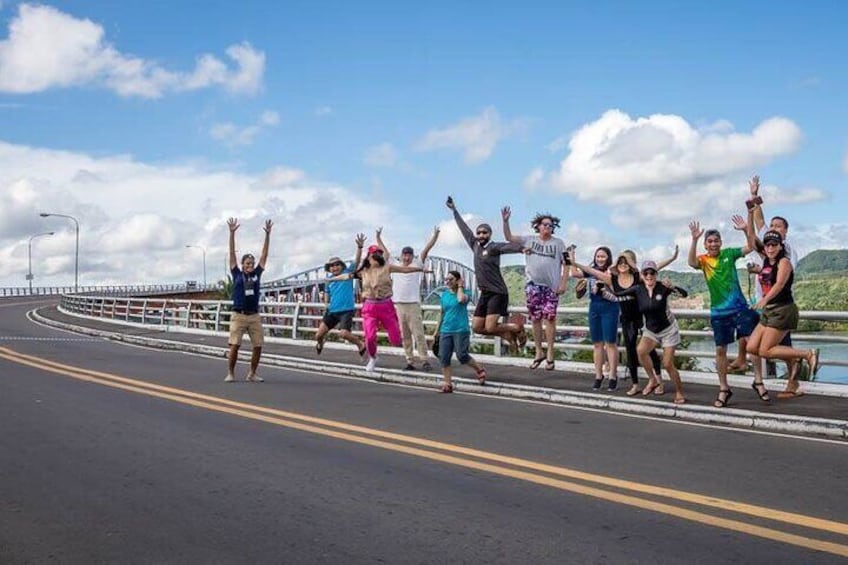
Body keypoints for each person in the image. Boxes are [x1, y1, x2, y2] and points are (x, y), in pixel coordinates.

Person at [572, 246, 677, 395]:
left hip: (642, 318)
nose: (623, 265)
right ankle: (636, 384)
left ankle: (658, 381)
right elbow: (592, 272)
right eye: (621, 262)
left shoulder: (637, 277)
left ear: (631, 264)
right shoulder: (612, 279)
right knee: (631, 352)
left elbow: (653, 268)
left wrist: (672, 258)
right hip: (627, 319)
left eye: (626, 262)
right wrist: (573, 262)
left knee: (650, 351)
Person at [687, 215, 763, 407]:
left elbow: (751, 246)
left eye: (716, 241)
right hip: (719, 312)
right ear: (706, 244)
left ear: (721, 242)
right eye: (710, 241)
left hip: (739, 307)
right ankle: (724, 388)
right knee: (720, 349)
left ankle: (759, 380)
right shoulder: (703, 260)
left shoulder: (729, 254)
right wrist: (694, 239)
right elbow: (691, 263)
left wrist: (747, 229)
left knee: (751, 343)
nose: (713, 244)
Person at [332, 230, 424, 372]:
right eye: (372, 255)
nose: (375, 257)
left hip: (386, 306)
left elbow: (404, 270)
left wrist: (420, 270)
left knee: (395, 340)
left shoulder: (387, 267)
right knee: (369, 337)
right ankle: (373, 358)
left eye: (377, 254)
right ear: (368, 257)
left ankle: (397, 345)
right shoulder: (363, 271)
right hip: (369, 307)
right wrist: (331, 278)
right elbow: (346, 276)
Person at [744, 174, 802, 394]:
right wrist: (754, 195)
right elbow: (759, 221)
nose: (774, 227)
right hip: (766, 306)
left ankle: (793, 382)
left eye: (779, 226)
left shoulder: (786, 251)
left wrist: (766, 297)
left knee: (781, 346)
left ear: (785, 231)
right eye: (773, 225)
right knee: (769, 346)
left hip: (778, 305)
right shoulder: (768, 244)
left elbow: (781, 279)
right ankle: (789, 382)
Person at [446, 196, 527, 351]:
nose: (481, 235)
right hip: (485, 293)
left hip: (498, 292)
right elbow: (464, 228)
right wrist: (454, 210)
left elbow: (507, 247)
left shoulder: (494, 247)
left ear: (489, 234)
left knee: (490, 327)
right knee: (477, 327)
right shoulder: (475, 245)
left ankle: (516, 327)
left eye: (484, 232)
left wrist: (521, 248)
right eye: (479, 232)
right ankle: (507, 335)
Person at [745, 229, 819, 398]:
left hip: (782, 310)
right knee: (751, 347)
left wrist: (764, 300)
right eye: (767, 245)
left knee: (765, 351)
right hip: (769, 312)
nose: (770, 248)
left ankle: (807, 354)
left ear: (780, 246)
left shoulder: (784, 262)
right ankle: (793, 361)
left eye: (774, 245)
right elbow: (752, 240)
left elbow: (779, 285)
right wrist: (749, 217)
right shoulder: (766, 262)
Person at [502, 207, 569, 370]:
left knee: (550, 319)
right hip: (533, 286)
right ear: (538, 226)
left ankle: (551, 352)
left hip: (551, 287)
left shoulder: (559, 243)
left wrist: (563, 283)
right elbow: (509, 238)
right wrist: (505, 221)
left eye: (551, 225)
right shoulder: (529, 240)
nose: (548, 227)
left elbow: (567, 264)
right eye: (545, 224)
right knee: (536, 319)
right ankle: (539, 351)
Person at [613, 261, 689, 404]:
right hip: (651, 330)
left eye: (652, 273)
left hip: (668, 329)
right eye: (646, 273)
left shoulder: (663, 288)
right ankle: (653, 380)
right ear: (641, 275)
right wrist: (602, 288)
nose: (649, 276)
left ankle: (679, 392)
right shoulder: (638, 289)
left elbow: (684, 294)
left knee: (667, 364)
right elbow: (617, 294)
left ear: (656, 274)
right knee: (640, 351)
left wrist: (672, 286)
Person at [382, 227, 440, 371]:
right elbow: (385, 251)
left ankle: (425, 360)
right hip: (399, 305)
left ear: (412, 256)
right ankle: (409, 361)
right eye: (404, 255)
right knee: (405, 335)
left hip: (413, 304)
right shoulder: (394, 265)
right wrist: (378, 237)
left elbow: (426, 250)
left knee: (418, 334)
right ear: (401, 256)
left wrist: (435, 235)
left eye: (409, 255)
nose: (406, 257)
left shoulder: (417, 264)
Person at [225, 217, 272, 383]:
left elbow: (264, 255)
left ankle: (252, 373)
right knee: (235, 345)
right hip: (238, 315)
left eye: (251, 263)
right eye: (247, 263)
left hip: (254, 316)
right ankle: (230, 373)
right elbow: (231, 254)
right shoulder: (237, 274)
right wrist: (232, 234)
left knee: (258, 346)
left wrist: (268, 235)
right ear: (242, 264)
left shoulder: (257, 274)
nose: (250, 265)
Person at [568, 246, 620, 390]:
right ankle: (598, 375)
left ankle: (613, 375)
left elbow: (612, 285)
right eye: (598, 256)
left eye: (603, 256)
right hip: (594, 307)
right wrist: (572, 258)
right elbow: (574, 273)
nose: (600, 259)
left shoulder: (613, 271)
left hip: (610, 307)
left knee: (610, 343)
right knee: (597, 343)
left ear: (608, 257)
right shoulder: (590, 270)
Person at [432, 271, 488, 393]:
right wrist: (437, 331)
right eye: (446, 279)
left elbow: (461, 299)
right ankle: (447, 383)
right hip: (446, 330)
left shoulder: (465, 293)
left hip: (460, 330)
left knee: (462, 355)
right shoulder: (444, 295)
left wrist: (461, 287)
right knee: (444, 357)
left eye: (451, 279)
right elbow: (442, 313)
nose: (448, 282)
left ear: (458, 280)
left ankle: (479, 370)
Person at [315, 234, 367, 357]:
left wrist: (359, 247)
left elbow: (357, 261)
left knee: (344, 334)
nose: (335, 267)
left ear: (342, 266)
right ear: (329, 269)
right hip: (332, 311)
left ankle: (360, 344)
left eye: (337, 264)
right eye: (332, 266)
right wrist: (326, 305)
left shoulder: (347, 273)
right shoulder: (328, 280)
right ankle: (320, 343)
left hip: (346, 310)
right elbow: (327, 294)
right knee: (318, 335)